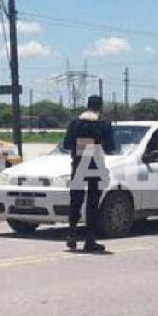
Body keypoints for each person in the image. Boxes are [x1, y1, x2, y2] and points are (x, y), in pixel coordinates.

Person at [63, 95, 116, 253]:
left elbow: (67, 144)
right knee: (93, 203)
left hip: (79, 163)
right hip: (96, 164)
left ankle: (71, 235)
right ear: (100, 106)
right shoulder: (104, 123)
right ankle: (89, 240)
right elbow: (110, 147)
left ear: (87, 105)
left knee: (76, 199)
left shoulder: (75, 122)